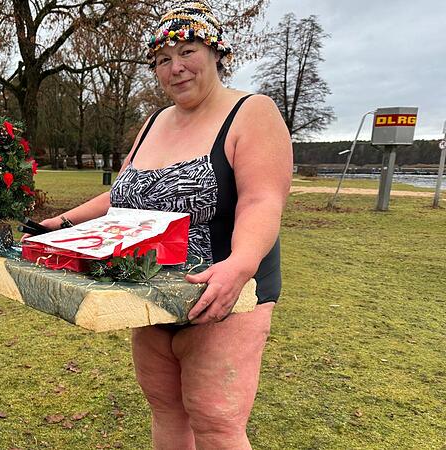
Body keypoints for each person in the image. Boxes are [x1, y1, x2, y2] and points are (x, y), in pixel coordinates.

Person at [38, 1, 292, 448]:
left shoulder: (253, 112)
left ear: (217, 52)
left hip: (222, 295)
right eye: (162, 59)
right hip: (150, 290)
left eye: (188, 51)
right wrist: (59, 223)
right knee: (165, 407)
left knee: (216, 419)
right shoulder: (154, 121)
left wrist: (241, 264)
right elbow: (119, 196)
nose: (175, 68)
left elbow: (262, 200)